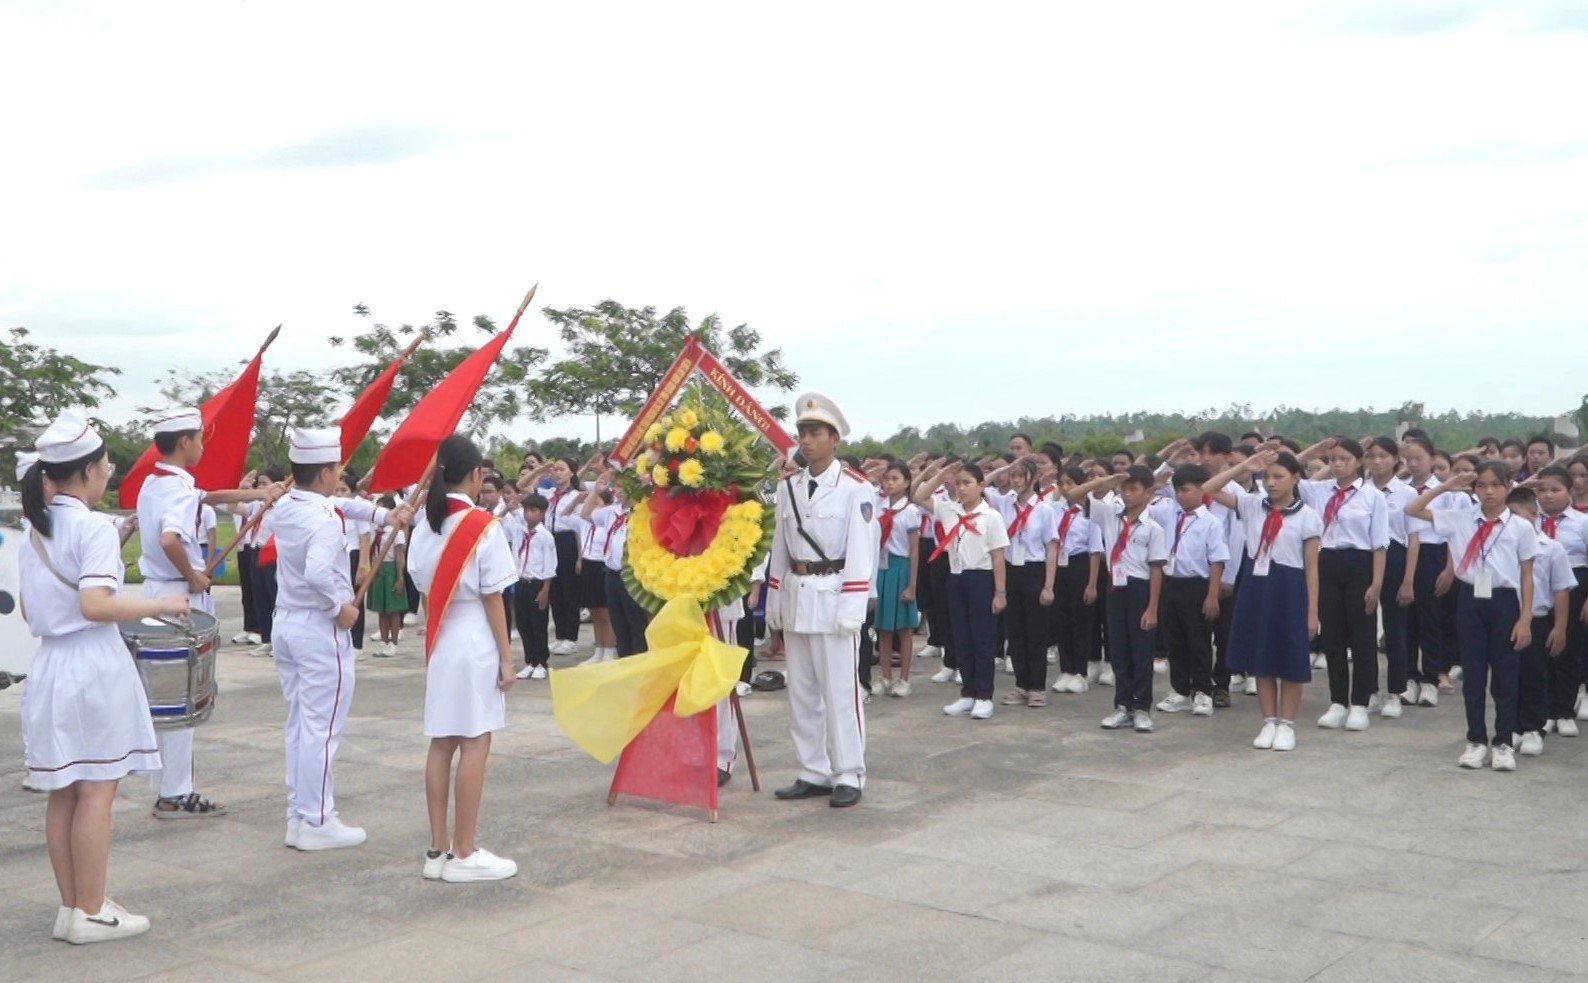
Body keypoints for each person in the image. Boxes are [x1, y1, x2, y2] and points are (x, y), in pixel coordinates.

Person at [19, 411, 191, 943]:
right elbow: (95, 604)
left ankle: (73, 907)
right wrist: (160, 602)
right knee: (96, 792)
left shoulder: (37, 529)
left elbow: (30, 611)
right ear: (89, 470)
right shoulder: (91, 527)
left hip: (50, 664)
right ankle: (91, 910)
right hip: (91, 665)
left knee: (64, 792)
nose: (110, 471)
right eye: (106, 464)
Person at [136, 408, 281, 819]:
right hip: (179, 598)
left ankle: (167, 787)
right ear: (185, 442)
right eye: (199, 439)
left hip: (158, 594)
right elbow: (170, 539)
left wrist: (255, 496)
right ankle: (177, 793)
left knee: (167, 698)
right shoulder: (177, 490)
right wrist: (194, 575)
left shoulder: (156, 481)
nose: (203, 445)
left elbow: (207, 497)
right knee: (185, 699)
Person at [270, 429, 406, 851]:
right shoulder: (324, 520)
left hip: (287, 622)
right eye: (336, 471)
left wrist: (385, 517)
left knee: (301, 725)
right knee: (323, 728)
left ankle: (300, 814)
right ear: (326, 472)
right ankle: (318, 819)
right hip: (317, 627)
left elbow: (341, 503)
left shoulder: (287, 505)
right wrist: (339, 607)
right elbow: (316, 570)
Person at [407, 435, 520, 881]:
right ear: (475, 475)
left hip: (441, 638)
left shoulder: (424, 524)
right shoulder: (482, 525)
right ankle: (466, 851)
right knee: (475, 742)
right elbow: (494, 597)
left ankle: (437, 851)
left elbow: (421, 585)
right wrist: (508, 660)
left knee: (442, 742)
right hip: (474, 640)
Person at [767, 393, 876, 809]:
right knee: (802, 692)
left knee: (840, 692)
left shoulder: (855, 490)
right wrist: (774, 601)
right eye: (802, 433)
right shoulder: (789, 488)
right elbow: (781, 546)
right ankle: (813, 769)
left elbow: (861, 553)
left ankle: (849, 771)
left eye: (815, 433)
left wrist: (853, 609)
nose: (806, 440)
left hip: (834, 598)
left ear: (835, 439)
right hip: (798, 595)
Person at [1406, 463, 1536, 771]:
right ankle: (1476, 740)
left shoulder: (1520, 527)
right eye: (1481, 485)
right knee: (1473, 676)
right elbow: (1412, 509)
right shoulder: (1460, 518)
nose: (1488, 492)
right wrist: (1446, 486)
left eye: (1495, 485)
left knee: (1505, 675)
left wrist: (1525, 619)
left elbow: (1528, 576)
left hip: (1504, 600)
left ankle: (1503, 742)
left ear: (1508, 487)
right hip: (1469, 598)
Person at [1203, 450, 1321, 750]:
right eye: (1267, 477)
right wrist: (1244, 466)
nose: (1271, 483)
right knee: (1262, 657)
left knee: (1291, 659)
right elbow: (1209, 488)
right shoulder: (1253, 504)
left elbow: (1311, 568)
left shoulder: (1307, 516)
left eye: (1279, 477)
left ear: (1296, 478)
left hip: (1289, 587)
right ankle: (1269, 721)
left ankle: (1288, 724)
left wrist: (1313, 611)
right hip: (1257, 585)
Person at [1296, 438, 1389, 732]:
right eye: (1333, 459)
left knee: (1362, 637)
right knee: (1332, 636)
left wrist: (1376, 584)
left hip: (1360, 564)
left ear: (1359, 461)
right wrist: (1319, 449)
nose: (1337, 464)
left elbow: (1380, 545)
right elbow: (1294, 471)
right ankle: (1338, 700)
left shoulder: (1373, 497)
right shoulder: (1320, 490)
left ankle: (1360, 702)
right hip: (1328, 563)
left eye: (1344, 459)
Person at [1066, 466, 1167, 732]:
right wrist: (1107, 481)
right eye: (1125, 489)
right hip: (1115, 587)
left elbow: (1157, 569)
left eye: (1135, 489)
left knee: (1141, 651)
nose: (1129, 494)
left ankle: (1142, 707)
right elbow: (1073, 494)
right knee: (1119, 649)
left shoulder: (1153, 527)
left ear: (1148, 493)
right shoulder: (1111, 515)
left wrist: (1153, 608)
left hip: (1140, 588)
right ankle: (1122, 705)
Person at [912, 460, 1010, 719]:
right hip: (955, 577)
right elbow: (918, 495)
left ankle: (984, 695)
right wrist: (941, 476)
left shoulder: (991, 517)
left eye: (967, 483)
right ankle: (967, 693)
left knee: (982, 639)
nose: (962, 489)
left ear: (981, 485)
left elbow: (998, 556)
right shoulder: (949, 510)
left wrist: (1000, 593)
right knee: (961, 637)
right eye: (958, 483)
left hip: (982, 578)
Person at [1151, 464, 1229, 717]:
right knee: (1175, 641)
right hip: (1171, 582)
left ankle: (1203, 691)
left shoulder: (1210, 522)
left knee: (1199, 642)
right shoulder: (1170, 515)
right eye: (1178, 490)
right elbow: (1147, 494)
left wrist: (1212, 595)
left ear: (1201, 491)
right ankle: (1181, 690)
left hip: (1197, 585)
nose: (1181, 495)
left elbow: (1217, 560)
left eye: (1187, 490)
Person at [1508, 485, 1573, 757]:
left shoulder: (1551, 548)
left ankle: (1534, 728)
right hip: (1505, 618)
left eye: (1517, 515)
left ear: (1533, 515)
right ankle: (1511, 726)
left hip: (1535, 619)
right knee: (1508, 676)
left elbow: (1561, 590)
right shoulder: (1502, 542)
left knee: (1534, 675)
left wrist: (1560, 627)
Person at [987, 458, 1054, 707]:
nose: (1014, 480)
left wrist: (1048, 585)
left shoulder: (1045, 509)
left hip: (1034, 569)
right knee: (1014, 631)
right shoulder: (1005, 503)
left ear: (1033, 478)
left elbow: (1052, 548)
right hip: (1010, 570)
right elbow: (983, 485)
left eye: (1019, 475)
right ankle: (1021, 684)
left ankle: (1037, 686)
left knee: (1036, 631)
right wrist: (1006, 467)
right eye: (1012, 476)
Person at [1529, 465, 1588, 735]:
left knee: (1568, 647)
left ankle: (1563, 710)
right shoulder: (1529, 522)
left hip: (1574, 583)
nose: (1548, 496)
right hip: (1538, 586)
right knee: (1540, 648)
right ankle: (1541, 710)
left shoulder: (1582, 522)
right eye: (1542, 490)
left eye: (1556, 490)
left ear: (1570, 491)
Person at [1365, 437, 1417, 719]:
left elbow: (1414, 537)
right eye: (1371, 456)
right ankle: (1369, 691)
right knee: (1364, 628)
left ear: (1396, 459)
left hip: (1396, 557)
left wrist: (1409, 578)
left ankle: (1396, 691)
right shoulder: (1359, 491)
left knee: (1395, 629)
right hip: (1366, 558)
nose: (1376, 461)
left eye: (1383, 456)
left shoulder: (1406, 494)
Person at [1048, 466, 1102, 695]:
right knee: (1061, 619)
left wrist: (1091, 584)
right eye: (1062, 483)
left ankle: (1080, 671)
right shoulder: (1055, 509)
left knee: (1080, 620)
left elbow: (1095, 551)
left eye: (1071, 483)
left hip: (1080, 565)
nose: (1066, 488)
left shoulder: (1091, 513)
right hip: (1059, 566)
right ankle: (1066, 669)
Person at [872, 462, 923, 697]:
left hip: (901, 567)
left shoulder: (910, 511)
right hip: (881, 568)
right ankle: (885, 676)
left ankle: (904, 678)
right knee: (883, 627)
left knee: (903, 628)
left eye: (895, 479)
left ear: (907, 482)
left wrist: (912, 584)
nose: (890, 483)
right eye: (887, 479)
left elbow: (914, 551)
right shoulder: (879, 506)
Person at [512, 493, 556, 679]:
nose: (528, 514)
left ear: (543, 513)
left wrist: (545, 589)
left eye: (533, 510)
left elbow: (550, 565)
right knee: (523, 624)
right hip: (521, 581)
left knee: (538, 624)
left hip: (537, 584)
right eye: (526, 510)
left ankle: (541, 662)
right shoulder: (519, 530)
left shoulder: (545, 537)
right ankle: (529, 660)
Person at [573, 485, 619, 665]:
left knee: (605, 612)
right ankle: (599, 650)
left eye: (596, 501)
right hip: (588, 564)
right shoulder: (588, 521)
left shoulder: (608, 519)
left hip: (602, 564)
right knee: (594, 610)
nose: (592, 504)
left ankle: (609, 650)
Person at [333, 471, 371, 655]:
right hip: (339, 556)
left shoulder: (356, 509)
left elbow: (365, 537)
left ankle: (356, 643)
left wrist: (363, 565)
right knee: (341, 597)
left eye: (344, 489)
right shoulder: (332, 509)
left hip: (354, 555)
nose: (340, 493)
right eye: (337, 490)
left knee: (356, 599)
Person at [366, 494, 408, 657]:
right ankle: (383, 641)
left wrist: (400, 577)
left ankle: (393, 642)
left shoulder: (396, 532)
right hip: (378, 570)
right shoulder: (376, 532)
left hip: (391, 570)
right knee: (381, 609)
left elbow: (399, 556)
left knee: (393, 609)